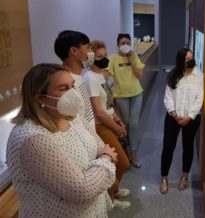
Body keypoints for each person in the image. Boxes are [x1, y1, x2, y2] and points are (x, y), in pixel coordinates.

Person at [6, 63, 117, 217]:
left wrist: (100, 161)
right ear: (39, 98)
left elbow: (99, 146)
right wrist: (106, 158)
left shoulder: (72, 117)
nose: (73, 93)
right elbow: (81, 191)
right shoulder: (33, 138)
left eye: (72, 86)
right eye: (63, 88)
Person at [83, 40, 131, 209]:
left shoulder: (101, 75)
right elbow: (99, 111)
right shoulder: (89, 78)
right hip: (101, 126)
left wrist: (118, 119)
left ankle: (113, 190)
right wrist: (116, 127)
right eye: (99, 57)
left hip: (110, 122)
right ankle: (109, 198)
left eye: (104, 55)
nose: (104, 59)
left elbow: (108, 104)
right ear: (91, 58)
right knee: (122, 162)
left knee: (119, 162)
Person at [160, 48, 204, 194]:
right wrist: (173, 113)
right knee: (168, 147)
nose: (190, 61)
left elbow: (199, 99)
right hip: (173, 117)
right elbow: (167, 96)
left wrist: (189, 116)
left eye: (191, 58)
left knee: (188, 147)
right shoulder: (173, 75)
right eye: (187, 59)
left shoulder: (199, 76)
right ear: (180, 62)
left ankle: (184, 177)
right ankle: (164, 178)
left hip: (191, 119)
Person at [107, 33, 145, 167]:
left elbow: (139, 75)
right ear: (118, 45)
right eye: (122, 43)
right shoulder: (112, 58)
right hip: (121, 96)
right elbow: (107, 76)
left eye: (127, 43)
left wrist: (131, 60)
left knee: (134, 124)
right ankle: (126, 148)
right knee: (125, 123)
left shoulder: (133, 56)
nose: (125, 45)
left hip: (136, 94)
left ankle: (133, 152)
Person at [54, 30, 95, 127]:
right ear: (74, 51)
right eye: (88, 47)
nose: (92, 52)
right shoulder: (66, 83)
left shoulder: (77, 76)